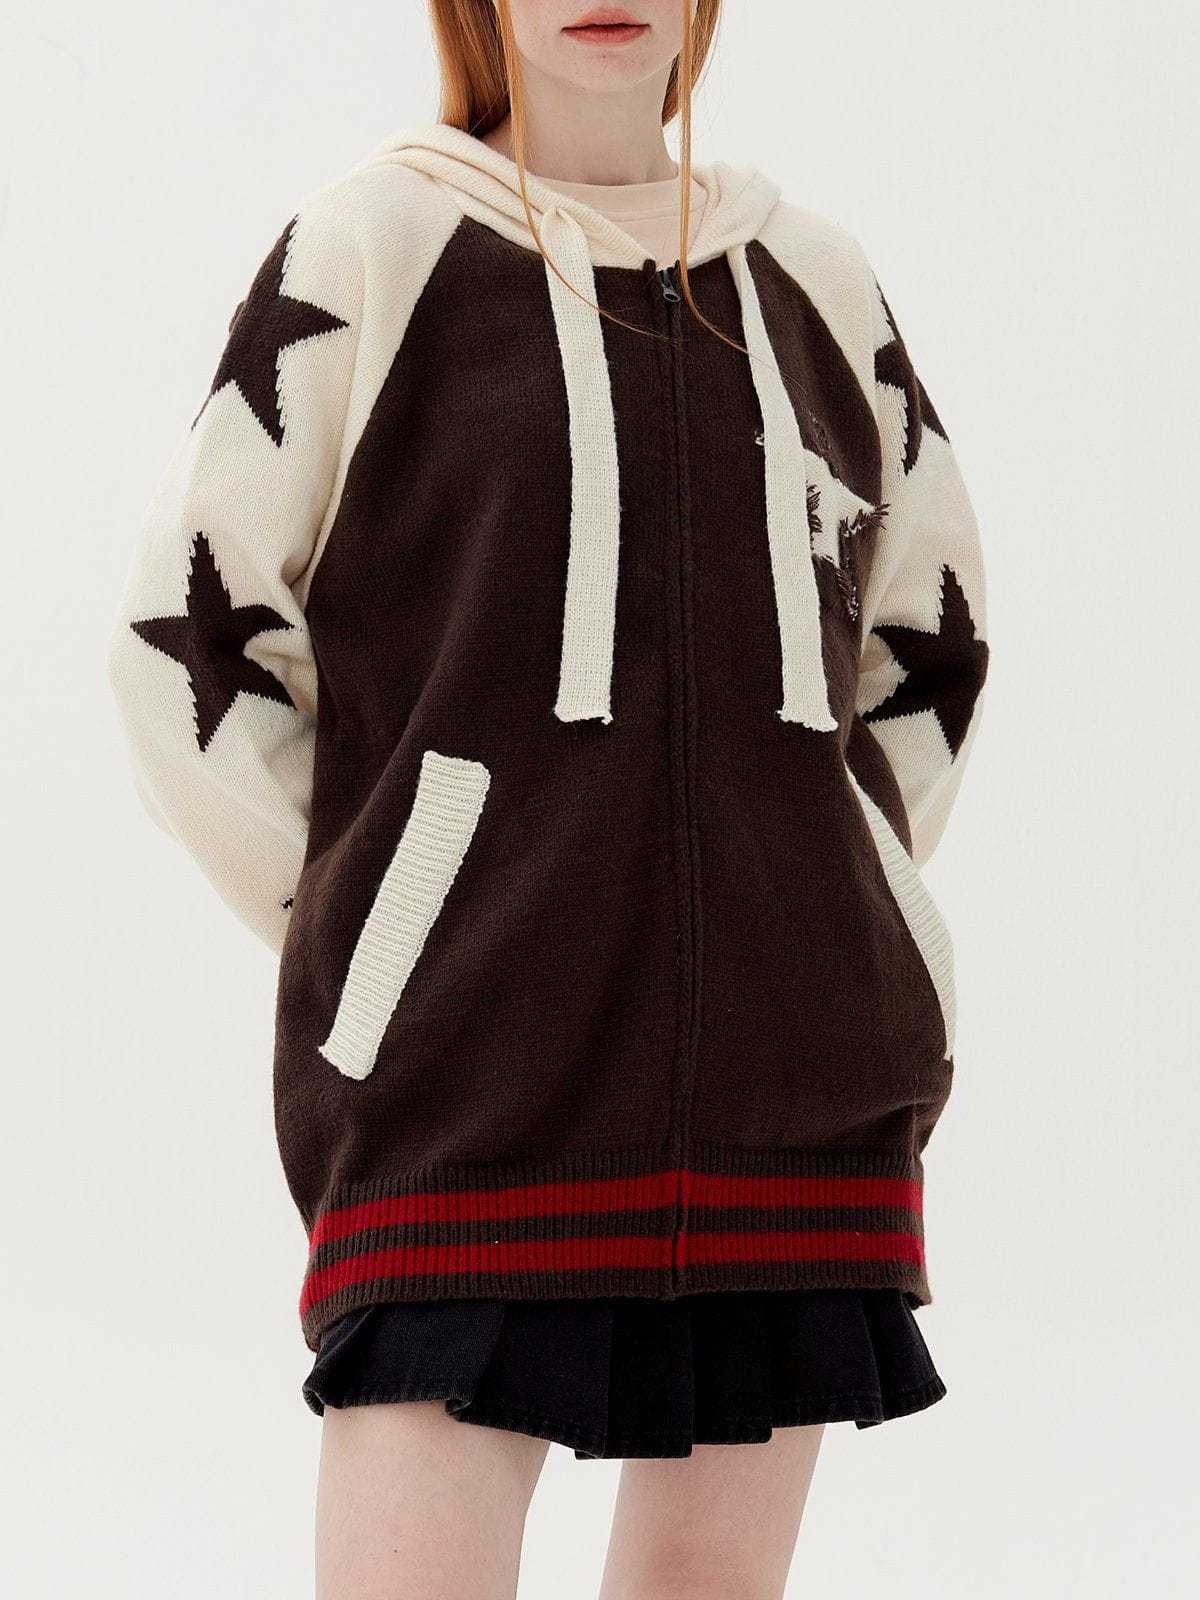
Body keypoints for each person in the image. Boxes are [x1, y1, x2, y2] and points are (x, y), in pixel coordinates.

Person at [106, 2, 990, 1594]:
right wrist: (387, 927)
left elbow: (928, 644)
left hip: (797, 1087)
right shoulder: (371, 252)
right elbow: (188, 638)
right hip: (464, 1091)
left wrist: (829, 877)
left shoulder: (817, 281)